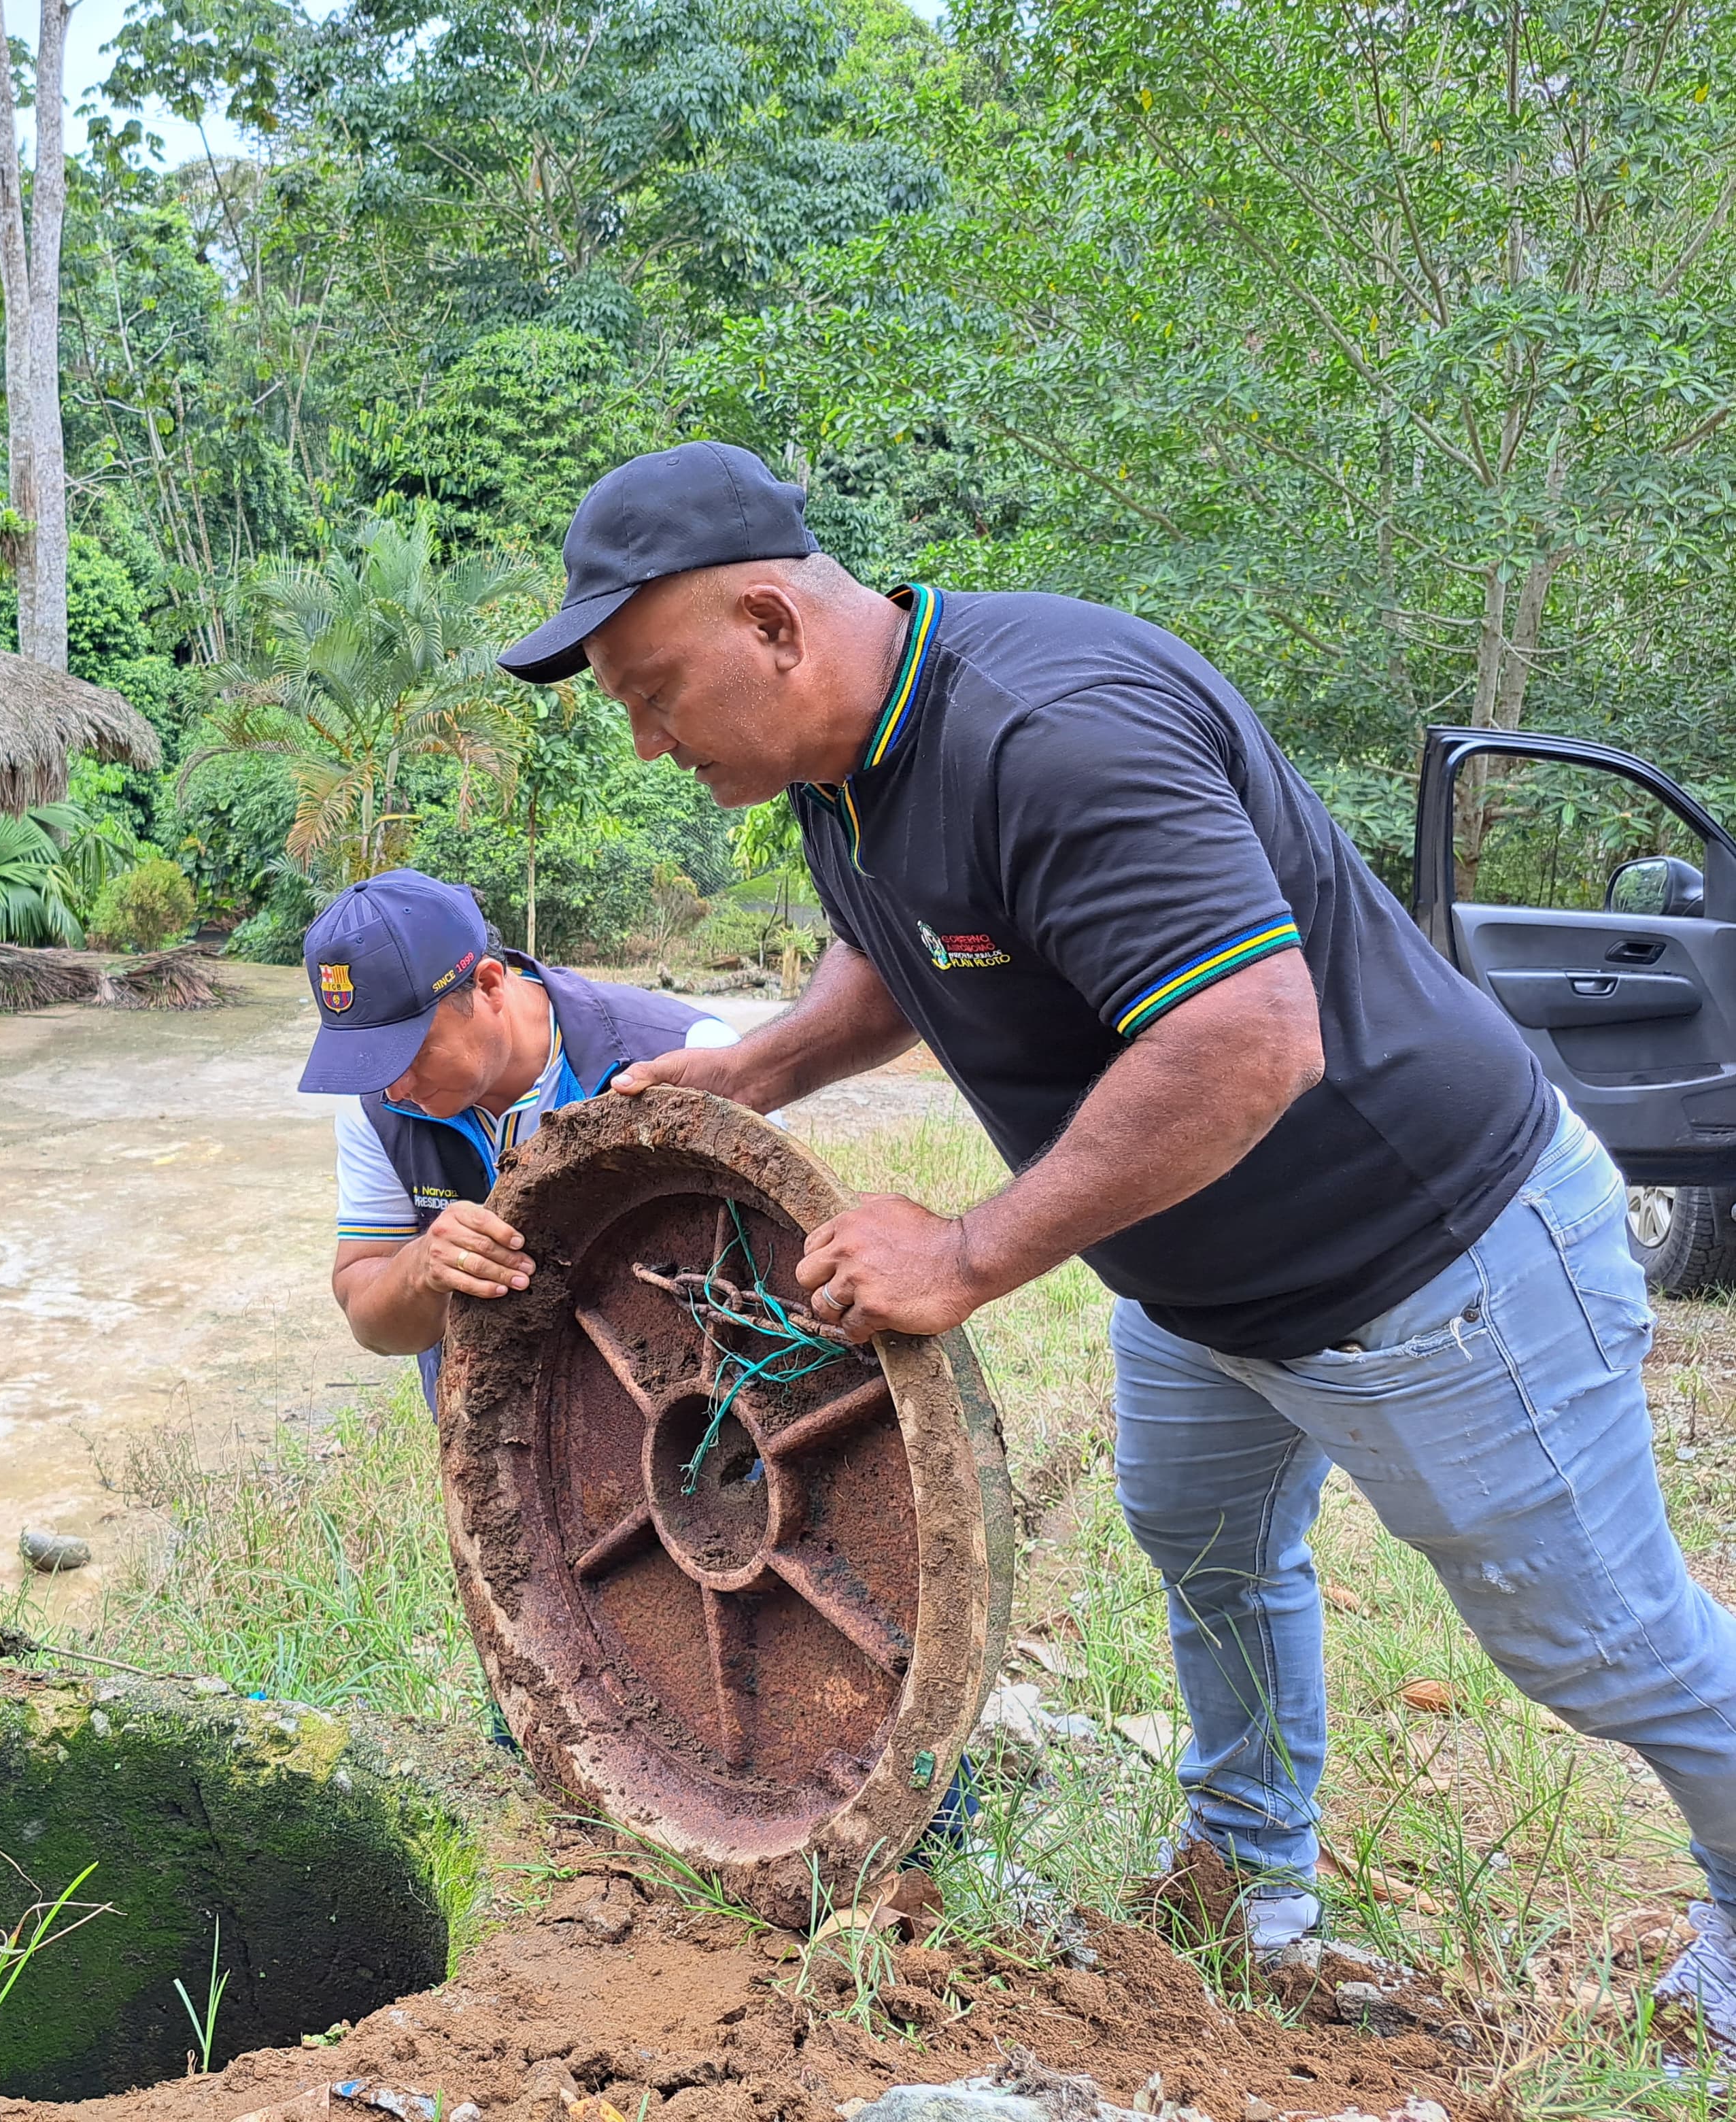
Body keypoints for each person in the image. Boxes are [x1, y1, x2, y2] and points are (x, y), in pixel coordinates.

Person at [494, 438, 1736, 2025]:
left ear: (773, 624)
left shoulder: (1051, 735)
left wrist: (964, 1254)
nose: (648, 740)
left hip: (1429, 1262)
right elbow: (904, 942)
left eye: (655, 693)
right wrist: (763, 1065)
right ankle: (1249, 1872)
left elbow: (1248, 1039)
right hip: (1200, 1283)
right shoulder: (843, 765)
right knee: (1213, 1555)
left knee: (1604, 1643)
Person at [301, 865, 740, 1408]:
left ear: (489, 985)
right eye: (370, 1060)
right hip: (490, 1434)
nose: (395, 1087)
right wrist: (421, 1268)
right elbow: (369, 1317)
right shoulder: (375, 1103)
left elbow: (775, 1270)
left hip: (684, 1412)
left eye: (410, 1052)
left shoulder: (690, 1056)